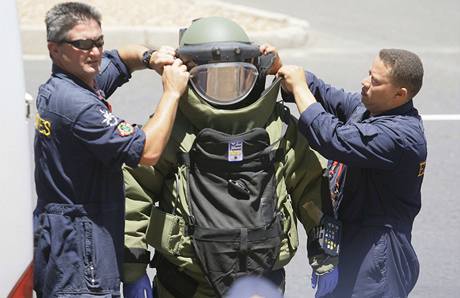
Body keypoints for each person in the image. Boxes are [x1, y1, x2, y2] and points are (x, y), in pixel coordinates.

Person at [122, 16, 338, 298]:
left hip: (259, 285)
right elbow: (135, 193)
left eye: (236, 79)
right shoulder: (173, 127)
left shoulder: (277, 127)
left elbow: (311, 189)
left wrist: (325, 255)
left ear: (253, 74)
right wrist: (133, 269)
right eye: (211, 80)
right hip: (184, 285)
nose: (224, 90)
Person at [33, 2, 189, 297]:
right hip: (79, 255)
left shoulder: (74, 81)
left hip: (61, 238)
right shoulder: (77, 106)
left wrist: (150, 57)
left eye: (99, 42)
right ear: (54, 49)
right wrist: (172, 92)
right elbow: (148, 151)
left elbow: (121, 59)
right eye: (83, 44)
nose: (95, 52)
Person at [277, 48, 426, 297]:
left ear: (400, 94)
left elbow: (331, 138)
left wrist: (300, 88)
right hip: (351, 240)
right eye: (369, 74)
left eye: (376, 81)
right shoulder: (370, 109)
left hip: (377, 258)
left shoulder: (400, 137)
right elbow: (325, 94)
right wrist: (283, 71)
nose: (365, 83)